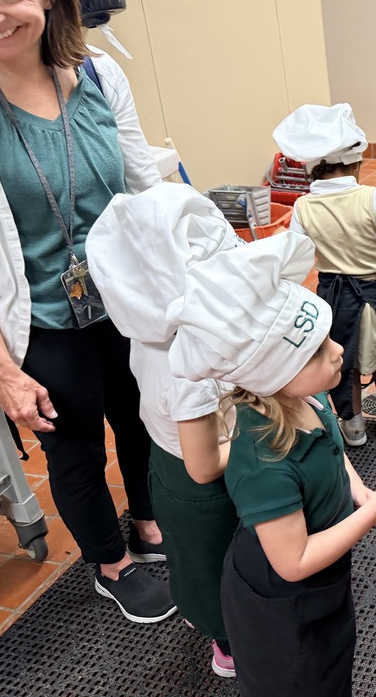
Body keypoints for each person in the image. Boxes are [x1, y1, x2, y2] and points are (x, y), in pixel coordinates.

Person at [0, 0, 173, 622]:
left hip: (124, 298)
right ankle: (111, 562)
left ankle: (152, 525)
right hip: (38, 316)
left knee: (145, 415)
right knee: (75, 449)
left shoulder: (99, 77)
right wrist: (3, 369)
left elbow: (143, 185)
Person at [165, 230, 376, 696]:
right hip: (282, 604)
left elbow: (335, 451)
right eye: (316, 351)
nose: (338, 349)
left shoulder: (309, 399)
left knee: (333, 667)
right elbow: (293, 562)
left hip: (323, 583)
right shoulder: (264, 462)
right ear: (274, 373)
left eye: (328, 338)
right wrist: (372, 516)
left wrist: (360, 494)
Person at [86, 184, 245, 676]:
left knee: (192, 552)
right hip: (205, 470)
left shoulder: (148, 334)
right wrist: (258, 444)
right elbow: (205, 463)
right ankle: (230, 641)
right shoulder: (189, 360)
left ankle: (211, 614)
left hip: (169, 461)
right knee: (215, 553)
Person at [276, 103, 376, 447]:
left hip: (334, 293)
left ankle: (353, 426)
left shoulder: (303, 207)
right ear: (355, 162)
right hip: (375, 289)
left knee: (344, 356)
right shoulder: (371, 197)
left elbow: (295, 254)